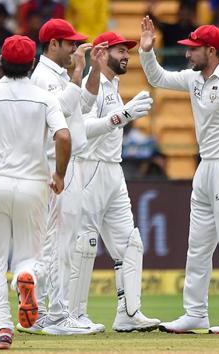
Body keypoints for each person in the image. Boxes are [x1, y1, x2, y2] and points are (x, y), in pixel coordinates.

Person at [140, 18, 219, 334]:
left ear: (211, 51)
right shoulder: (194, 79)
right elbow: (157, 78)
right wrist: (147, 50)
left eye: (193, 49)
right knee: (197, 246)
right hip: (205, 168)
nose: (187, 54)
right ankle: (195, 313)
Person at [0, 34, 72, 350]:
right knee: (30, 255)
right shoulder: (45, 98)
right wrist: (59, 175)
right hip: (33, 184)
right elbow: (63, 137)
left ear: (1, 63)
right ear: (32, 63)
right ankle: (27, 279)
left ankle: (2, 328)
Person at [72, 31, 161, 333]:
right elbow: (81, 129)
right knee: (84, 244)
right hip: (90, 169)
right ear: (102, 52)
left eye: (127, 51)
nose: (126, 56)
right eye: (120, 50)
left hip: (114, 171)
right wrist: (122, 116)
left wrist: (121, 114)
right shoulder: (91, 85)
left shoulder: (115, 85)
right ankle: (74, 315)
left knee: (130, 243)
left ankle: (129, 314)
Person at [24, 18, 108, 336]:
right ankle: (57, 315)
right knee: (60, 241)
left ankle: (42, 313)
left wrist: (91, 69)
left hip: (64, 162)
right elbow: (57, 111)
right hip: (57, 163)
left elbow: (82, 105)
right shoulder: (43, 77)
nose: (74, 47)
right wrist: (77, 73)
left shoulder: (56, 74)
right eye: (69, 42)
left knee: (56, 241)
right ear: (53, 44)